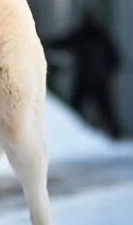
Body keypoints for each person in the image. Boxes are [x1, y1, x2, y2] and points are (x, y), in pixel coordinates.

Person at [47, 10, 122, 139]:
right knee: (79, 110)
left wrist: (112, 79)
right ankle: (77, 135)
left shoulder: (98, 36)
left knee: (105, 113)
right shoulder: (90, 35)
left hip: (94, 81)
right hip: (91, 80)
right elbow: (64, 42)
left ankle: (117, 135)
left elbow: (115, 59)